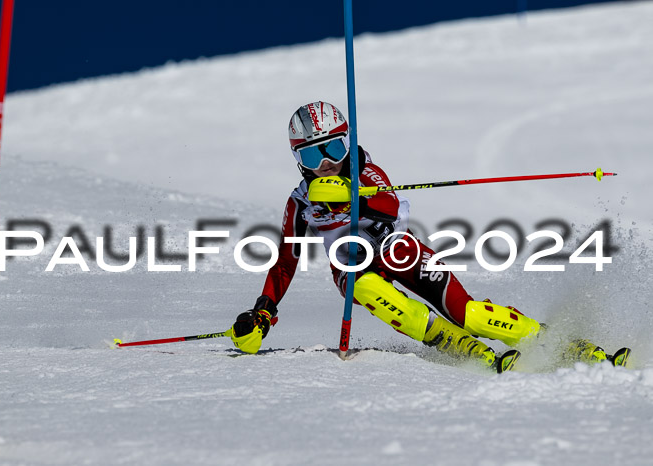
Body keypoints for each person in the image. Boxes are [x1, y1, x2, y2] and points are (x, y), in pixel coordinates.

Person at [229, 101, 630, 372]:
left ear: (348, 143)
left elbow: (388, 205)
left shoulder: (364, 173)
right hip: (354, 268)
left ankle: (566, 345)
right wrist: (264, 310)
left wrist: (353, 197)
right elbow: (285, 261)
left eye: (335, 148)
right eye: (313, 156)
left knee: (470, 313)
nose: (327, 164)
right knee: (359, 283)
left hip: (397, 250)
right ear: (298, 160)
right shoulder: (300, 202)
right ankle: (453, 343)